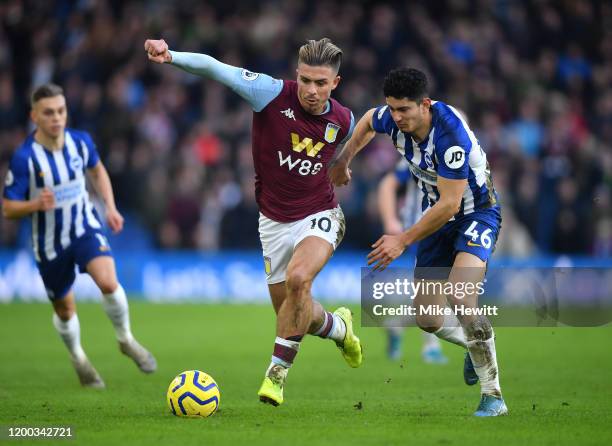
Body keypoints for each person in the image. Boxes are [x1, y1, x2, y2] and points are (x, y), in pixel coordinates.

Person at [144, 37, 362, 406]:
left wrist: (342, 166)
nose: (311, 90)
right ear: (297, 75)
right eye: (306, 80)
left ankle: (275, 378)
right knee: (293, 313)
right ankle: (340, 328)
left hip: (320, 214)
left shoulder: (343, 119)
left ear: (334, 84)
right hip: (273, 223)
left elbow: (358, 136)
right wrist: (172, 57)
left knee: (298, 280)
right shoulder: (270, 94)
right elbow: (216, 68)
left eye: (321, 83)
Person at [330, 68, 507, 416]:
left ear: (425, 105)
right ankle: (478, 342)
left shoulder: (450, 136)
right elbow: (367, 120)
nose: (397, 118)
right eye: (392, 109)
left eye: (404, 111)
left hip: (475, 214)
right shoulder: (392, 119)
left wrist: (402, 240)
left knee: (460, 294)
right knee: (427, 318)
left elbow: (451, 203)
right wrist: (344, 159)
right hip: (435, 218)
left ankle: (493, 396)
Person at [2, 84, 157, 388]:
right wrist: (35, 204)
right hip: (49, 244)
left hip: (85, 226)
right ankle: (79, 358)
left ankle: (126, 339)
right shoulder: (24, 159)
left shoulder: (80, 142)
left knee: (109, 283)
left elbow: (98, 172)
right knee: (65, 309)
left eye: (61, 111)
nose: (56, 118)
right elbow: (8, 207)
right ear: (35, 116)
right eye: (49, 113)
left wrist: (110, 207)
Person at [378, 160, 448, 364]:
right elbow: (388, 184)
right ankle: (431, 346)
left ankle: (397, 324)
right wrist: (390, 219)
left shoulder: (461, 149)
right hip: (422, 226)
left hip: (450, 226)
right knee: (436, 285)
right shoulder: (417, 152)